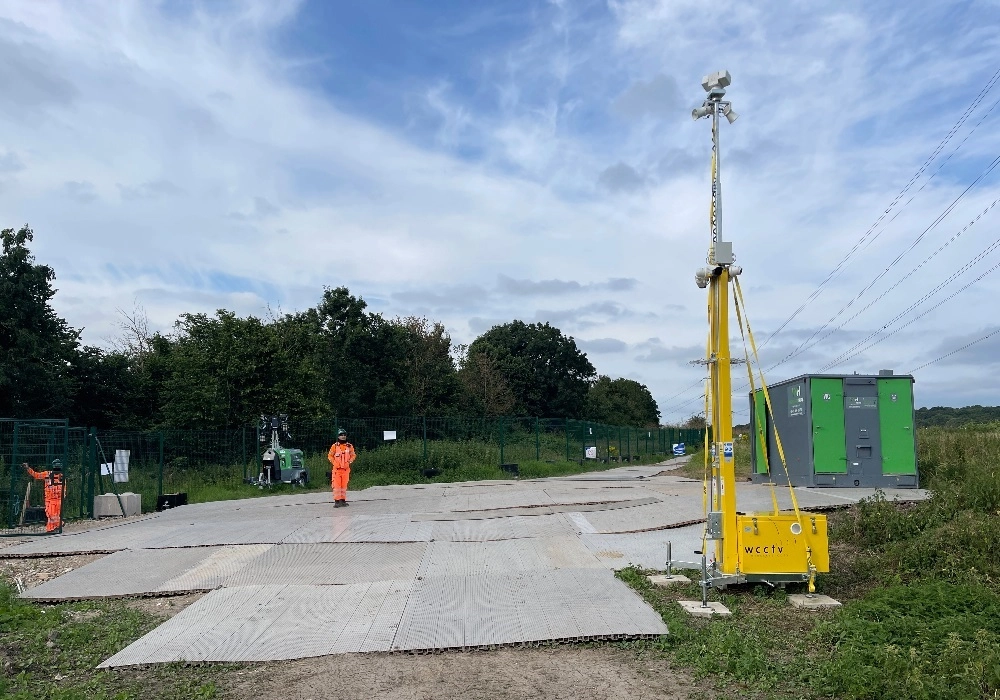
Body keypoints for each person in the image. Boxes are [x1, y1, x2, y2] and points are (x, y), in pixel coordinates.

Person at [24, 459, 65, 533]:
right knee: (50, 514)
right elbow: (36, 475)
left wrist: (63, 496)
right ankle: (59, 524)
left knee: (54, 515)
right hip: (50, 499)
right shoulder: (47, 474)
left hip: (58, 499)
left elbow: (64, 488)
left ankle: (52, 528)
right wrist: (28, 468)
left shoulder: (61, 476)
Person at [327, 428, 356, 508]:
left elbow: (353, 455)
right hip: (337, 470)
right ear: (338, 436)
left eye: (344, 435)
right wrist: (334, 462)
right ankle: (337, 501)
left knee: (344, 486)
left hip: (346, 470)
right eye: (341, 435)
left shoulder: (349, 446)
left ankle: (343, 501)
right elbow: (330, 456)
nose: (343, 436)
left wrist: (350, 461)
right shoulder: (334, 446)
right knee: (336, 486)